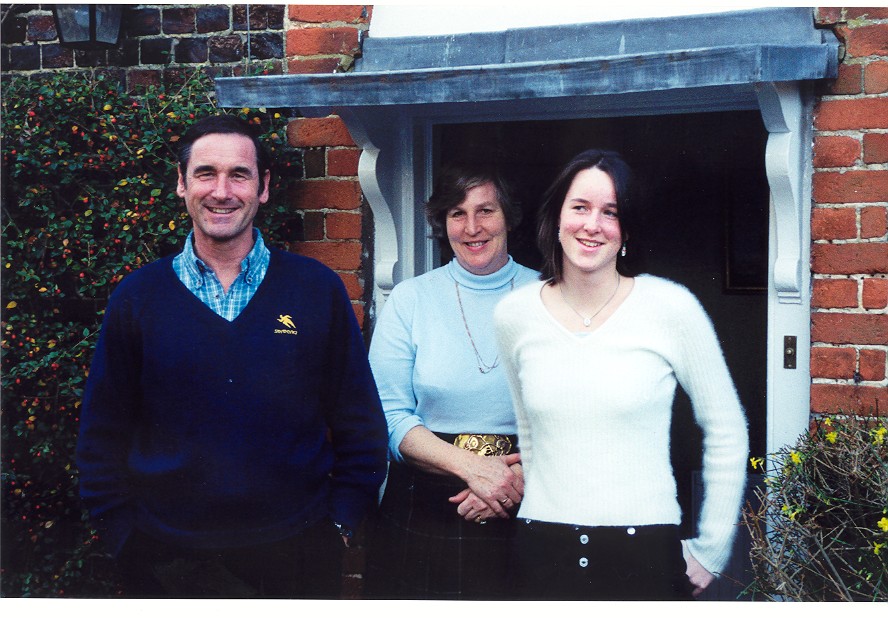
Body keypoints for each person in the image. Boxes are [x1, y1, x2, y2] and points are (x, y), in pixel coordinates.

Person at [76, 115, 388, 599]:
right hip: (165, 560)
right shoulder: (137, 298)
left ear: (263, 187)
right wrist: (125, 537)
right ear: (182, 184)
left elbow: (359, 422)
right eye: (206, 173)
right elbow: (102, 431)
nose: (221, 192)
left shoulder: (315, 290)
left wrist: (340, 521)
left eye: (239, 175)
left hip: (297, 555)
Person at [494, 149, 748, 601]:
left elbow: (727, 427)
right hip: (542, 548)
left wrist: (712, 547)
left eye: (610, 212)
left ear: (626, 229)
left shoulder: (670, 307)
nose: (592, 225)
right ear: (557, 217)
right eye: (580, 207)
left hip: (644, 551)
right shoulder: (515, 315)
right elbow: (529, 432)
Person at [363, 164, 539, 599]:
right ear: (443, 222)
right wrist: (474, 469)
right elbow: (387, 414)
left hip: (529, 495)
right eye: (457, 213)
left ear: (509, 216)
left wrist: (516, 482)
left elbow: (577, 415)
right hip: (425, 502)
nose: (472, 227)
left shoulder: (550, 297)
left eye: (486, 211)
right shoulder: (410, 299)